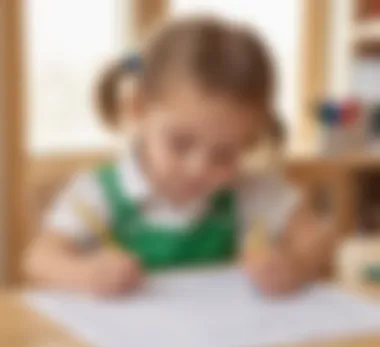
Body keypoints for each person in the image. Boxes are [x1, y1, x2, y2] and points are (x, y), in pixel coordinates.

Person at [24, 17, 333, 297]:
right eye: (181, 144)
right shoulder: (99, 191)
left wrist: (295, 265)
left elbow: (317, 239)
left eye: (225, 154)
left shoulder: (246, 189)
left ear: (249, 142)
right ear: (139, 109)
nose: (198, 168)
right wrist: (86, 273)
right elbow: (38, 260)